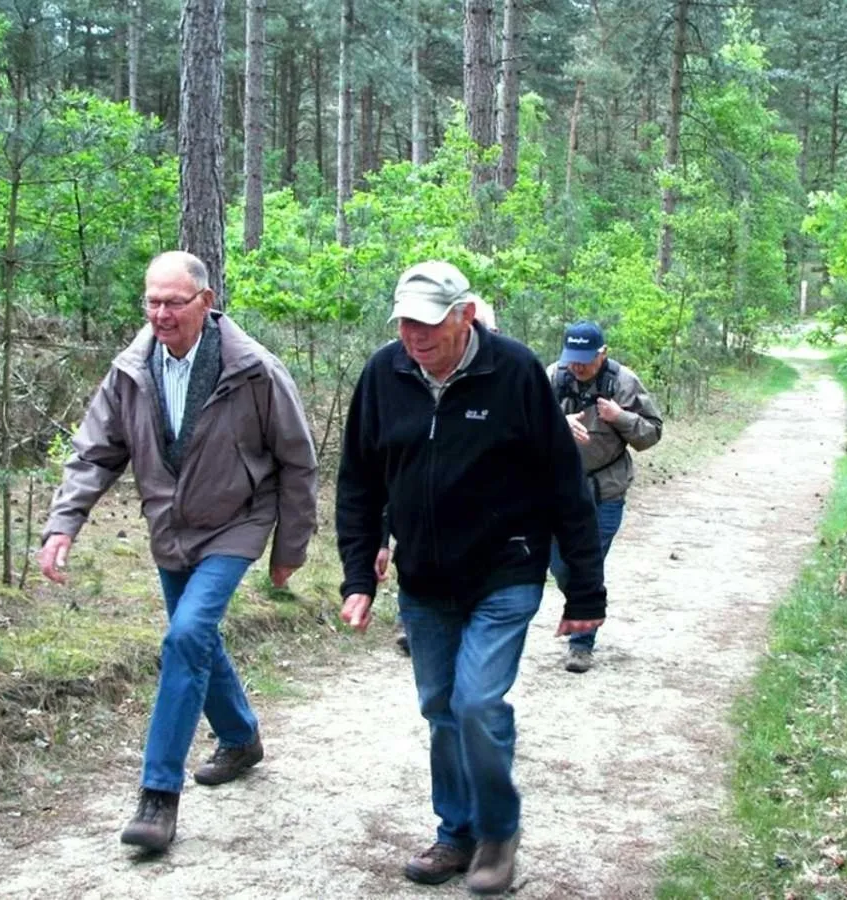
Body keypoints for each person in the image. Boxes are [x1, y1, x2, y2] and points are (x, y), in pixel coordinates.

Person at [337, 262, 606, 895]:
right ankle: (454, 832)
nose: (414, 336)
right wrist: (359, 575)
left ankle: (497, 832)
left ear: (465, 316)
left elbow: (564, 484)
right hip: (425, 578)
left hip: (504, 570)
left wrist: (585, 591)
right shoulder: (385, 373)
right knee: (440, 709)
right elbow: (359, 480)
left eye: (428, 323)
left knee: (477, 703)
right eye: (405, 322)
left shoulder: (512, 372)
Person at [38, 251, 318, 853]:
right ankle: (241, 737)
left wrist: (289, 547)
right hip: (169, 526)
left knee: (186, 636)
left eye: (174, 302)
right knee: (196, 638)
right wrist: (64, 523)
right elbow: (94, 452)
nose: (160, 314)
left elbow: (297, 461)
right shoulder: (131, 369)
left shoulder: (254, 370)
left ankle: (157, 796)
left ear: (206, 301)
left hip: (238, 522)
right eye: (152, 301)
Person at [379, 292, 498, 657]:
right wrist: (378, 537)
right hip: (421, 540)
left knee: (475, 690)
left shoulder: (510, 376)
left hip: (493, 551)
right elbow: (379, 471)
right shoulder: (396, 377)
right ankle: (410, 620)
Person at [545, 321, 662, 674]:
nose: (576, 367)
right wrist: (558, 422)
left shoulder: (624, 383)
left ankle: (581, 644)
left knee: (588, 564)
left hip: (606, 490)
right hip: (558, 491)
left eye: (584, 360)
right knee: (560, 564)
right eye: (572, 359)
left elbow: (652, 433)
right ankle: (584, 604)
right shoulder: (553, 377)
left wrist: (621, 417)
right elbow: (522, 425)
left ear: (603, 354)